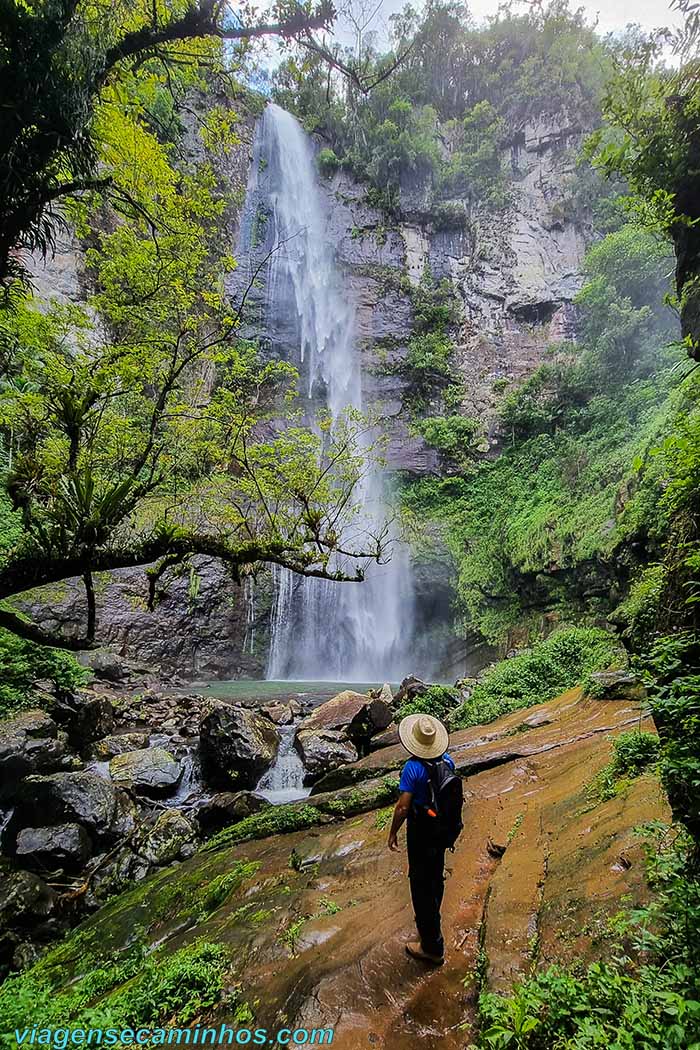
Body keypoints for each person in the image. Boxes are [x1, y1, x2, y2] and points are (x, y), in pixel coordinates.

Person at [387, 712, 454, 965]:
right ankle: (431, 923)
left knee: (420, 884)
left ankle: (432, 948)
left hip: (422, 832)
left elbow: (403, 807)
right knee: (435, 877)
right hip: (442, 829)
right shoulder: (447, 760)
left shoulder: (411, 768)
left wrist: (393, 832)